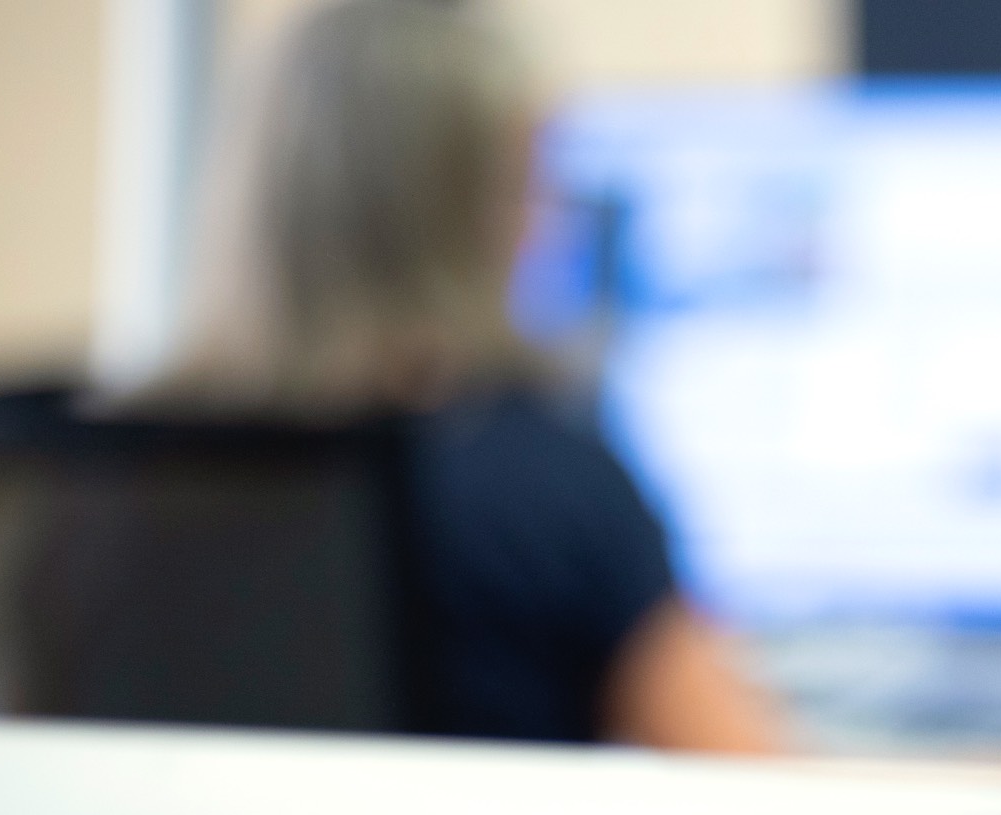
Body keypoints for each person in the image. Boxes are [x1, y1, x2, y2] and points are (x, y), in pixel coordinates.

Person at [139, 0, 781, 749]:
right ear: (475, 208)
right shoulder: (546, 484)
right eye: (537, 184)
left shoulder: (106, 480)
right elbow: (758, 786)